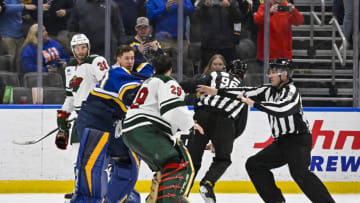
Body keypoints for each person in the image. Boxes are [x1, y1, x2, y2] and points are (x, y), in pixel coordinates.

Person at [197, 58, 336, 203]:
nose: (269, 75)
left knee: (300, 174)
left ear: (284, 75)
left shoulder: (292, 91)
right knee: (254, 165)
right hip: (282, 142)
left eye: (273, 72)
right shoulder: (268, 90)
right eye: (270, 72)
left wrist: (256, 104)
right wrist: (217, 91)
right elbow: (244, 91)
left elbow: (283, 109)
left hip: (298, 140)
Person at [122, 54, 204, 203]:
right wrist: (191, 124)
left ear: (154, 68)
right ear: (171, 69)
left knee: (165, 165)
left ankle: (156, 199)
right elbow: (172, 109)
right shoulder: (167, 82)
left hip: (130, 131)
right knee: (177, 163)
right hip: (145, 130)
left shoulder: (148, 81)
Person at [71, 45, 148, 203]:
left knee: (127, 159)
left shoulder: (135, 75)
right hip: (95, 118)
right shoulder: (116, 72)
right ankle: (87, 200)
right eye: (126, 58)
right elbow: (129, 94)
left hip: (113, 121)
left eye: (132, 58)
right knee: (91, 165)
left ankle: (118, 198)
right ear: (118, 59)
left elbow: (152, 72)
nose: (130, 61)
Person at [180, 59, 248, 203]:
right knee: (223, 159)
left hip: (202, 117)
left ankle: (181, 193)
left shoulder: (217, 75)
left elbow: (194, 85)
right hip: (226, 122)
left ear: (228, 70)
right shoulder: (243, 90)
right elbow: (240, 124)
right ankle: (208, 183)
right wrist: (224, 140)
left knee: (192, 161)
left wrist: (174, 86)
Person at [54, 33, 109, 202]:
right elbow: (71, 96)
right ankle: (80, 189)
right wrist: (63, 116)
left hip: (95, 115)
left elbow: (107, 82)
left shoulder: (96, 61)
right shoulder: (70, 67)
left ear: (88, 47)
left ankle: (104, 190)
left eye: (83, 47)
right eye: (77, 48)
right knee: (78, 156)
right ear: (72, 49)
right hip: (80, 116)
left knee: (99, 157)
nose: (80, 51)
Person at [195, 0, 244, 72]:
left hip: (227, 45)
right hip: (208, 45)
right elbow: (196, 17)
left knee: (230, 72)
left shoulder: (232, 2)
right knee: (207, 72)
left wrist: (230, 6)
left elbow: (239, 19)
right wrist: (204, 6)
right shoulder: (203, 1)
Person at [0, 0, 37, 72]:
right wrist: (24, 6)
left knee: (20, 63)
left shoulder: (17, 2)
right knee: (9, 63)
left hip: (20, 36)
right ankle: (9, 82)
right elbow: (4, 8)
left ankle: (20, 82)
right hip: (7, 37)